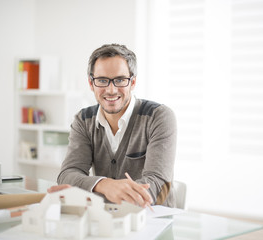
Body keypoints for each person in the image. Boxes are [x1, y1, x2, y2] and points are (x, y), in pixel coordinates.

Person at [50, 44, 177, 208]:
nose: (111, 90)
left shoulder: (158, 117)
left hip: (155, 220)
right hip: (107, 220)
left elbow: (157, 186)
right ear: (91, 83)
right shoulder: (83, 120)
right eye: (102, 80)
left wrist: (91, 191)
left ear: (133, 82)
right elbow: (67, 175)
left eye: (120, 80)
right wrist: (104, 185)